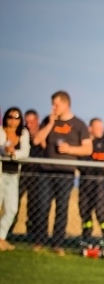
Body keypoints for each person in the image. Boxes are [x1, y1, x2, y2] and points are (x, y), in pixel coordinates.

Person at [31, 90, 92, 255]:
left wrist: (70, 149)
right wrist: (50, 123)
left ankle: (58, 244)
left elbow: (88, 148)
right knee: (42, 206)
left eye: (56, 104)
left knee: (62, 208)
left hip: (65, 172)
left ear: (66, 104)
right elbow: (36, 140)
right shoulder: (48, 120)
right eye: (52, 104)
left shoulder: (79, 124)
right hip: (46, 171)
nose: (53, 107)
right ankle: (39, 240)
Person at [78, 118, 104, 245]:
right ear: (90, 129)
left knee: (101, 212)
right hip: (85, 181)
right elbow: (79, 161)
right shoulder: (83, 142)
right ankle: (86, 238)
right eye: (98, 127)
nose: (101, 130)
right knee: (84, 212)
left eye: (102, 127)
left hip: (99, 182)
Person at [0, 107, 31, 251]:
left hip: (13, 176)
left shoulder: (24, 133)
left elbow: (25, 152)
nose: (13, 120)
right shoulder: (0, 131)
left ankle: (1, 237)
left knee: (12, 208)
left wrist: (14, 153)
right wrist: (5, 151)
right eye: (10, 116)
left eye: (17, 117)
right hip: (0, 174)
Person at [18, 109, 44, 238]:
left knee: (33, 207)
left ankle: (32, 235)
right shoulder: (22, 133)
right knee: (14, 204)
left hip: (37, 175)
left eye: (31, 122)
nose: (29, 125)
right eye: (26, 121)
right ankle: (7, 233)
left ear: (37, 121)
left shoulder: (42, 132)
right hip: (22, 173)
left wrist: (37, 136)